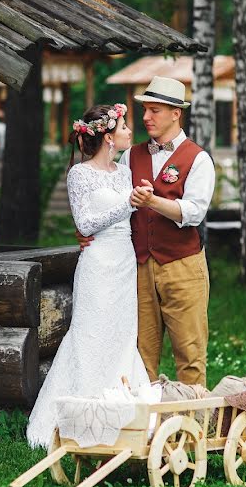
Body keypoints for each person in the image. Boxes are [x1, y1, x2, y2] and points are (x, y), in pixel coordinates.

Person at [26, 103, 151, 449]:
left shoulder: (124, 172)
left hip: (124, 262)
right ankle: (71, 420)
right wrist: (128, 202)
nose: (130, 132)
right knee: (90, 334)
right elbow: (84, 224)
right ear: (108, 137)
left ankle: (121, 419)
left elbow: (129, 217)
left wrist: (135, 200)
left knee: (122, 336)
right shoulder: (79, 175)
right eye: (124, 127)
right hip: (97, 263)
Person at [81, 76, 216, 387]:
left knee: (190, 354)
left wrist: (152, 200)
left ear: (175, 113)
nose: (145, 118)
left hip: (183, 265)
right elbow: (112, 204)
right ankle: (146, 428)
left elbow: (193, 213)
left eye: (154, 110)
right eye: (144, 110)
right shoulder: (131, 156)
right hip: (138, 267)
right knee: (141, 354)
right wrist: (89, 230)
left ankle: (192, 426)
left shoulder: (199, 159)